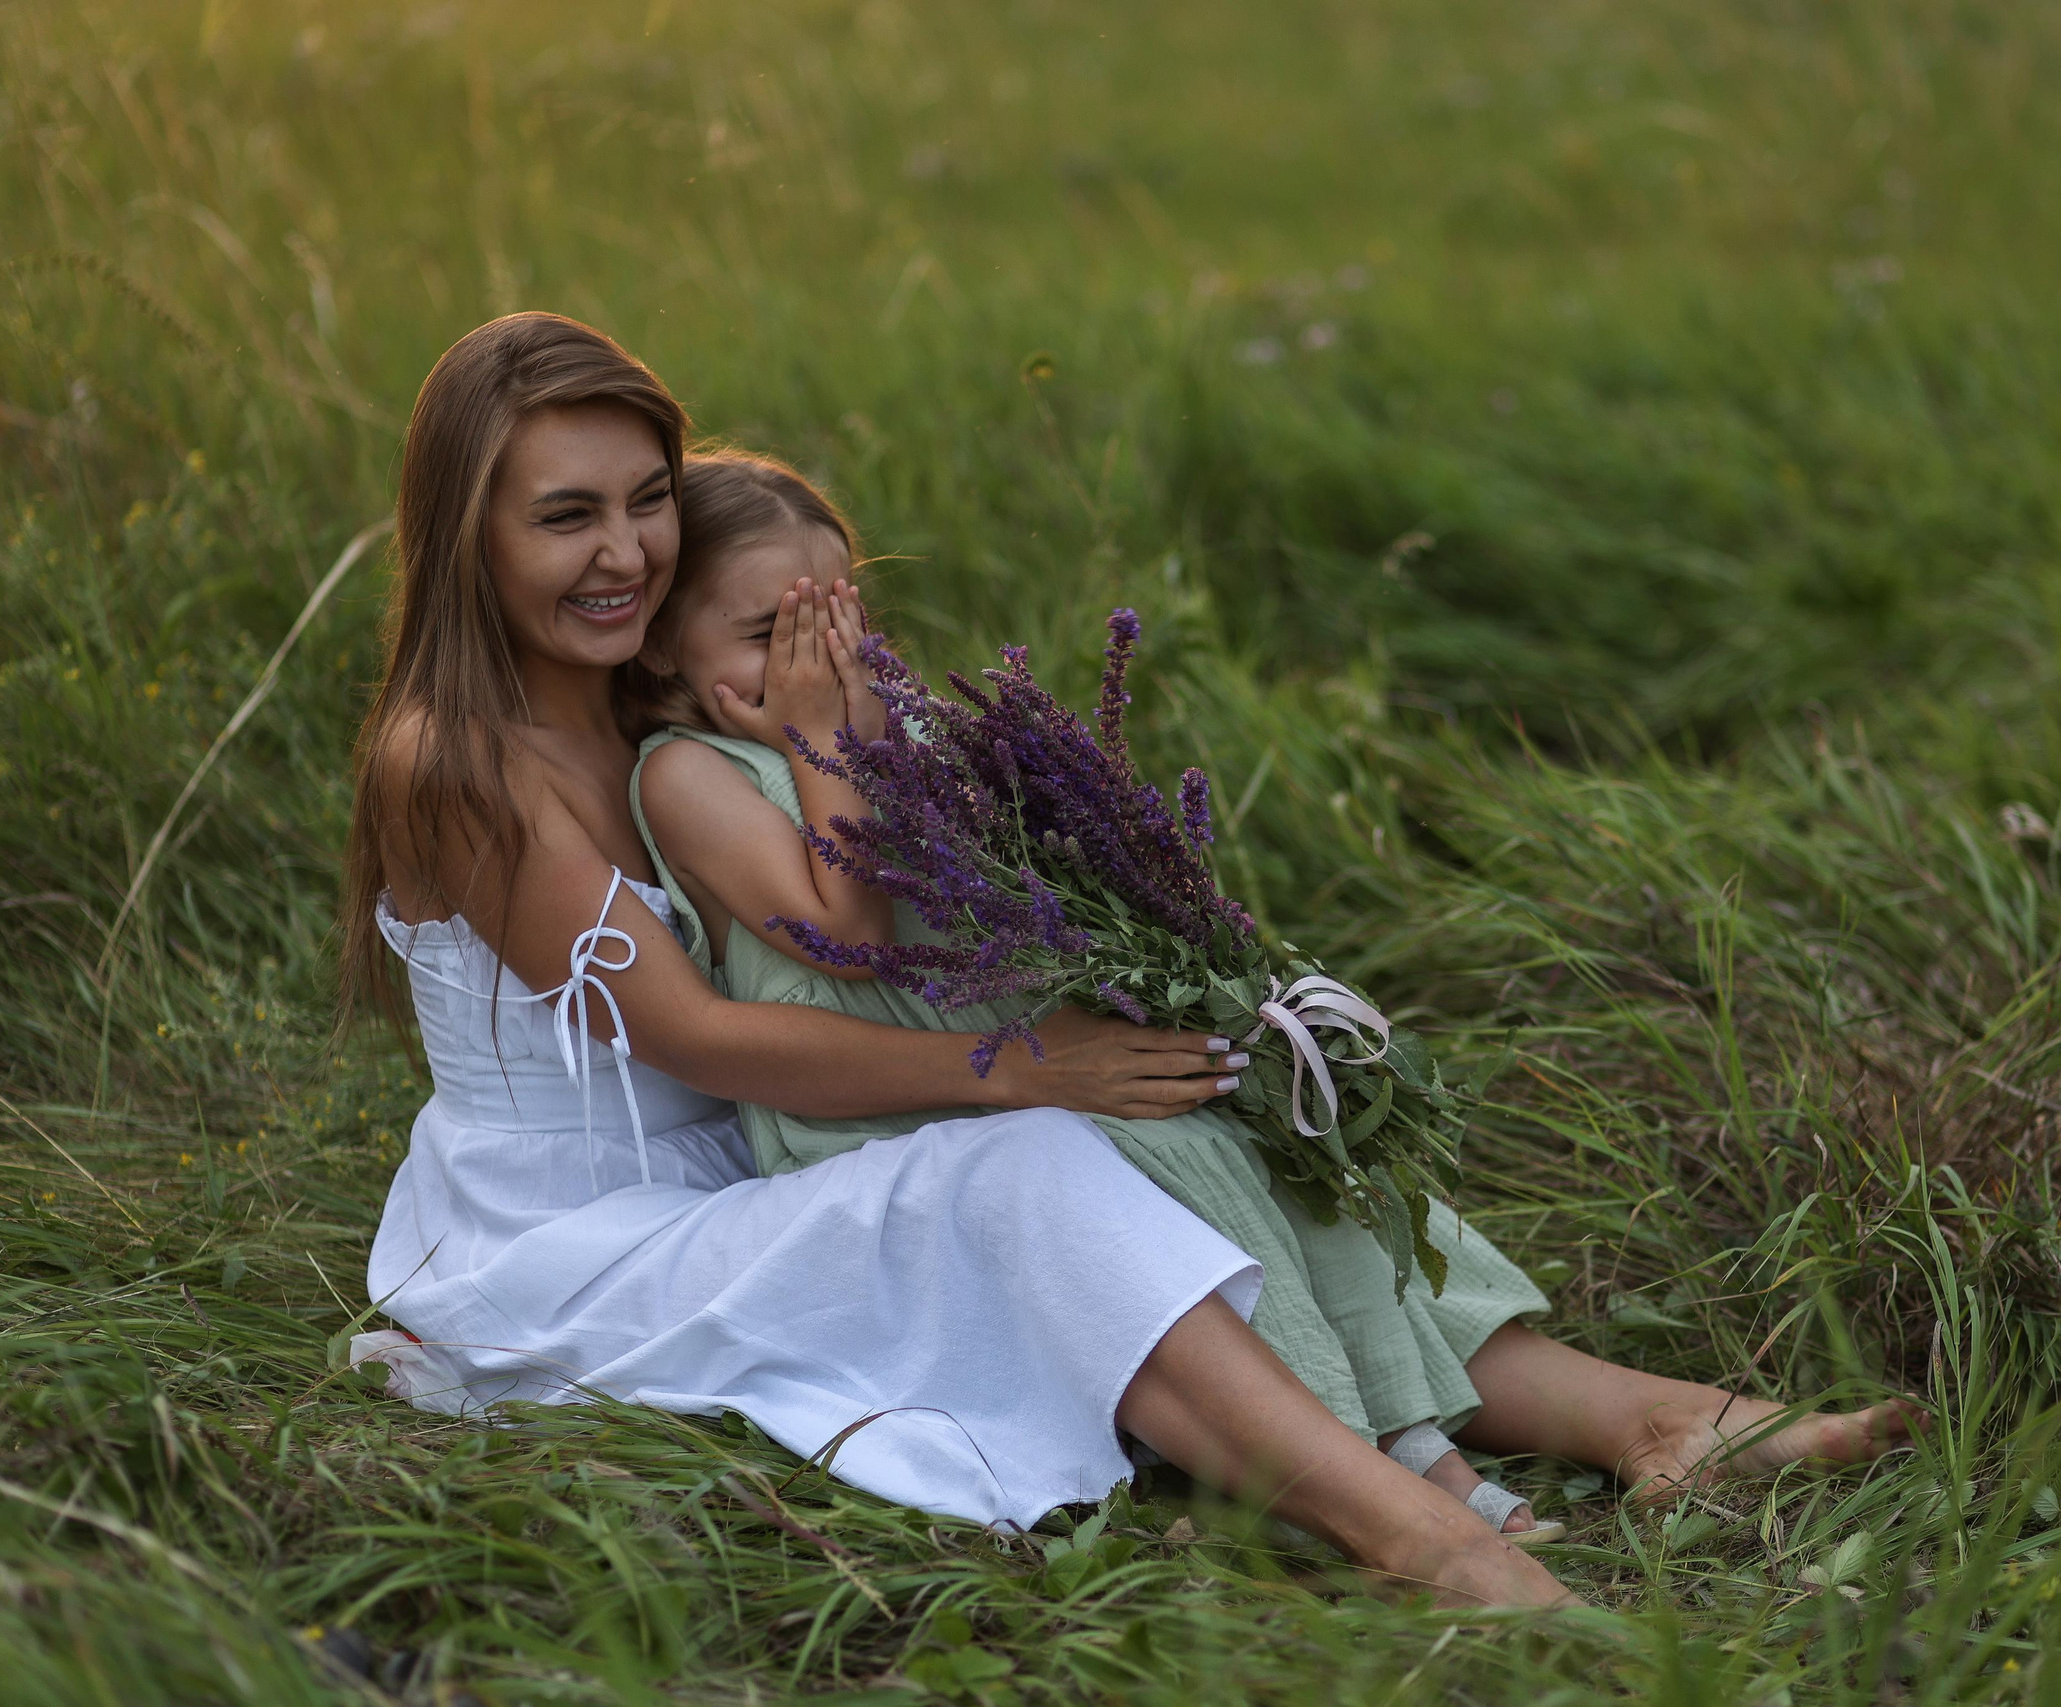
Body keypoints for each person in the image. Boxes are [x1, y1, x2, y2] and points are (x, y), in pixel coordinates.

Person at [342, 311, 1915, 1613]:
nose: (623, 550)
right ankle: (1423, 1532)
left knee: (1219, 1113)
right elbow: (700, 1037)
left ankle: (1656, 1418)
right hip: (577, 1240)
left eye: (645, 501)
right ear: (468, 531)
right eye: (565, 515)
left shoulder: (664, 693)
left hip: (762, 1164)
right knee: (1032, 1162)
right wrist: (1018, 1065)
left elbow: (862, 878)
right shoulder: (458, 759)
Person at [622, 448, 1565, 1543]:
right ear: (663, 645)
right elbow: (846, 931)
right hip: (883, 1125)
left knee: (1240, 1131)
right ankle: (1346, 1469)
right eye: (771, 637)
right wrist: (824, 739)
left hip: (1018, 1066)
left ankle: (1413, 1435)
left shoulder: (888, 732)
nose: (820, 666)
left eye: (840, 626)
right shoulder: (689, 774)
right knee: (1171, 1161)